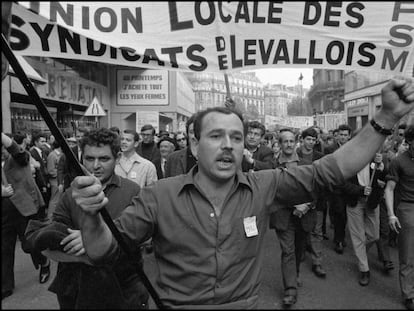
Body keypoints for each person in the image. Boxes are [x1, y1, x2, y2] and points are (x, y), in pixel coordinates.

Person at [71, 77, 414, 309]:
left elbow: (331, 170)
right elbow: (104, 251)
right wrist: (90, 217)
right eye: (216, 136)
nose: (227, 146)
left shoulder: (264, 185)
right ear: (194, 142)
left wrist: (386, 116)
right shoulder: (159, 194)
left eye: (236, 138)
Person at [34, 128, 149, 309]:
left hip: (123, 289)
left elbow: (137, 241)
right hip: (75, 289)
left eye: (104, 159)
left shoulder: (132, 191)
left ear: (117, 158)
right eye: (89, 159)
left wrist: (90, 238)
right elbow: (48, 244)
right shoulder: (70, 194)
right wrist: (85, 255)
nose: (95, 166)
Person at [2, 132, 51, 300]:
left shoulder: (17, 158)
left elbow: (17, 151)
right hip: (4, 213)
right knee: (4, 248)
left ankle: (44, 263)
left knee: (29, 244)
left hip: (23, 210)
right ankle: (6, 286)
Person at [341, 151, 386, 286]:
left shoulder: (378, 158)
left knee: (374, 235)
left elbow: (385, 178)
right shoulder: (348, 160)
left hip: (372, 203)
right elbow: (343, 184)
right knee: (358, 237)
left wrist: (381, 166)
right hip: (355, 202)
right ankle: (364, 270)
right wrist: (360, 190)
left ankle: (360, 253)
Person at [384, 124, 414, 310]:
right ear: (410, 141)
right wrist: (391, 214)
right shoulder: (398, 161)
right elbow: (389, 189)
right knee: (408, 256)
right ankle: (408, 295)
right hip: (407, 209)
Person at [296, 127, 327, 279]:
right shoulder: (295, 155)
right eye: (308, 139)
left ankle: (317, 262)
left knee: (317, 231)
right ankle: (300, 251)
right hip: (298, 198)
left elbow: (323, 179)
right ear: (302, 139)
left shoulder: (320, 156)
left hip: (316, 199)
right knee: (299, 228)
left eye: (313, 140)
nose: (310, 142)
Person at [325, 124, 353, 254]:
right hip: (336, 187)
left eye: (345, 135)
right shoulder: (329, 149)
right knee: (339, 213)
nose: (343, 137)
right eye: (341, 134)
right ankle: (339, 240)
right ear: (337, 136)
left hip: (350, 187)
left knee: (346, 215)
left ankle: (341, 235)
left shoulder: (353, 149)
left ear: (349, 136)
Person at [164, 113, 198, 178]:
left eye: (198, 131)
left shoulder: (215, 158)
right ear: (187, 134)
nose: (194, 136)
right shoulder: (173, 158)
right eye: (192, 132)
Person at [30, 131, 50, 217]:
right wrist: (42, 184)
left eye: (45, 141)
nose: (44, 143)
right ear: (36, 142)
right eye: (42, 141)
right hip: (38, 183)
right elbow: (38, 171)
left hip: (45, 181)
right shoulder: (32, 153)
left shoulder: (43, 152)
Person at [46, 140, 63, 219]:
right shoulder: (52, 155)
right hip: (55, 181)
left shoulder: (60, 155)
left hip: (59, 181)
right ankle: (50, 217)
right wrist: (60, 174)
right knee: (54, 200)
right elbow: (51, 170)